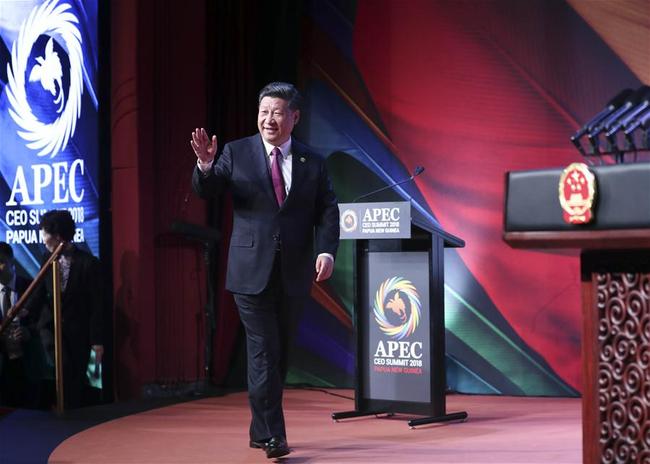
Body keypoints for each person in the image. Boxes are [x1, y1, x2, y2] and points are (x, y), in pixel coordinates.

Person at [191, 82, 340, 459]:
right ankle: (274, 435)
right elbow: (207, 190)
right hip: (249, 271)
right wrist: (206, 165)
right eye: (263, 112)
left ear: (294, 116)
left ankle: (260, 431)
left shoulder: (312, 162)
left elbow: (327, 211)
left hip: (293, 272)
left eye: (276, 112)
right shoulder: (235, 152)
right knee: (264, 352)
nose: (268, 119)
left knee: (280, 355)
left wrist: (326, 251)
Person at [35, 210, 104, 409]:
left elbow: (97, 304)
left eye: (45, 233)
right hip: (50, 328)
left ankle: (71, 422)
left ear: (57, 237)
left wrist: (97, 340)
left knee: (75, 378)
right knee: (60, 368)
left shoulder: (88, 264)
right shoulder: (46, 260)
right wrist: (22, 312)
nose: (43, 238)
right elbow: (38, 292)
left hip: (77, 331)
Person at [0, 242, 32, 407]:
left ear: (12, 261)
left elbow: (43, 320)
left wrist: (27, 332)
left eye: (1, 262)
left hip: (28, 364)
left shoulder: (31, 287)